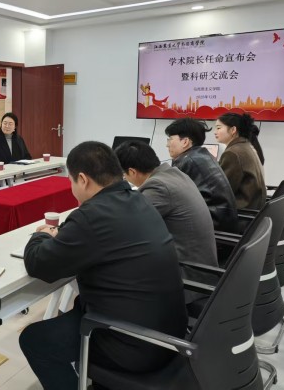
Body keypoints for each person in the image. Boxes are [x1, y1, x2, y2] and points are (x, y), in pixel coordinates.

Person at [19, 141, 187, 390]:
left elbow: (38, 264)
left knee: (34, 340)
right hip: (169, 334)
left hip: (133, 344)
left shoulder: (92, 215)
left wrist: (40, 235)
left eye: (71, 181)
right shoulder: (138, 199)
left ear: (83, 179)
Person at [115, 140, 217, 306]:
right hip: (201, 270)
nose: (125, 178)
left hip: (187, 279)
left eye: (124, 175)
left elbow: (127, 226)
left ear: (132, 172)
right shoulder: (174, 174)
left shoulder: (158, 187)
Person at [165, 118, 238, 231]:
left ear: (185, 142)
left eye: (170, 139)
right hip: (222, 222)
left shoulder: (187, 161)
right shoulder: (202, 155)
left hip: (211, 226)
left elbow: (168, 198)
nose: (167, 145)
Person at [214, 112, 266, 210]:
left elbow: (222, 191)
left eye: (218, 128)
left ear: (233, 130)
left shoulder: (233, 153)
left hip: (241, 211)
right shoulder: (245, 145)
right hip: (253, 208)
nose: (215, 132)